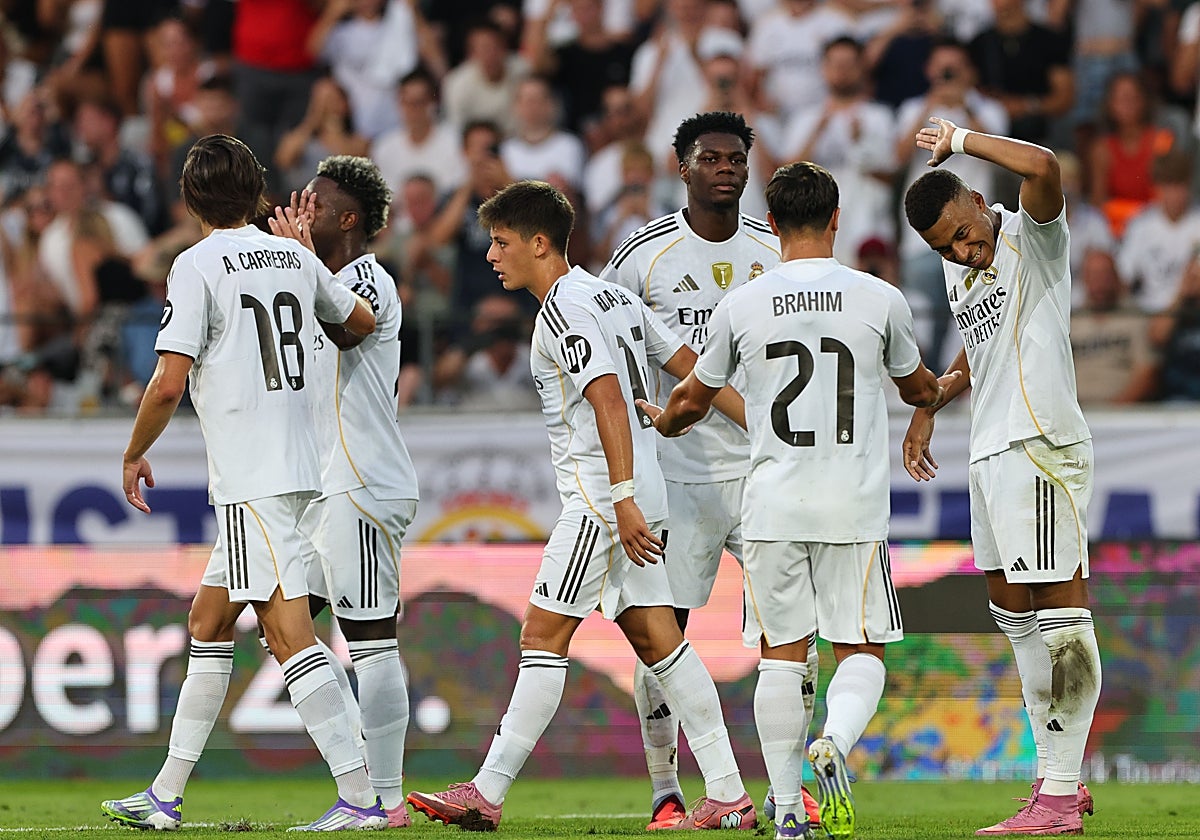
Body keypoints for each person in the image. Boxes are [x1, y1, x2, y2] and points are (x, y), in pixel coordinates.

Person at [406, 180, 756, 832]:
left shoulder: (564, 310)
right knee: (662, 645)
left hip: (603, 502)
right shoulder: (614, 297)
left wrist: (619, 498)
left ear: (539, 243)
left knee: (542, 637)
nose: (491, 256)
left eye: (501, 242)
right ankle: (730, 794)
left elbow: (608, 400)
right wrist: (763, 429)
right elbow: (695, 367)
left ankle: (486, 791)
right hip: (642, 492)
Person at [645, 161, 951, 840]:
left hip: (772, 505)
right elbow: (917, 388)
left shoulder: (742, 304)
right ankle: (834, 741)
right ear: (837, 219)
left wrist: (666, 421)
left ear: (772, 223)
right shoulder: (880, 298)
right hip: (852, 503)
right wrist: (940, 394)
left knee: (780, 655)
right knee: (860, 649)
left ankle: (786, 808)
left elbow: (693, 398)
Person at [101, 134, 383, 831]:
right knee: (209, 621)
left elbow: (168, 382)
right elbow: (361, 320)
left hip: (253, 476)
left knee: (288, 636)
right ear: (257, 191)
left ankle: (361, 797)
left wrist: (134, 452)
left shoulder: (196, 265)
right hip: (297, 468)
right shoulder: (293, 254)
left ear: (190, 199)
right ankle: (164, 795)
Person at [598, 110, 810, 832]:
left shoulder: (775, 250)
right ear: (680, 166)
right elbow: (609, 341)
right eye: (710, 158)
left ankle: (789, 788)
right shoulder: (641, 255)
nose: (725, 169)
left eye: (735, 159)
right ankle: (666, 788)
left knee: (790, 631)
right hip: (677, 476)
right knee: (665, 635)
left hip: (764, 473)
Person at [901, 118, 1101, 835]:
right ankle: (1055, 776)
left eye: (962, 233)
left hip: (1038, 442)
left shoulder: (1031, 235)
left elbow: (1044, 165)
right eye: (944, 247)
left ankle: (1060, 795)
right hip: (989, 450)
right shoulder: (961, 266)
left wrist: (959, 138)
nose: (961, 250)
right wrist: (931, 403)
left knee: (1060, 615)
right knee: (1015, 617)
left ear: (978, 201)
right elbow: (977, 345)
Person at [286, 155, 422, 828]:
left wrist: (299, 260)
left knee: (370, 643)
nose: (300, 209)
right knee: (285, 628)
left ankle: (383, 802)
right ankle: (358, 782)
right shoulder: (317, 279)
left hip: (362, 482)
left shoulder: (366, 277)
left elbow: (349, 328)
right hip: (325, 491)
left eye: (316, 202)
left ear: (348, 219)